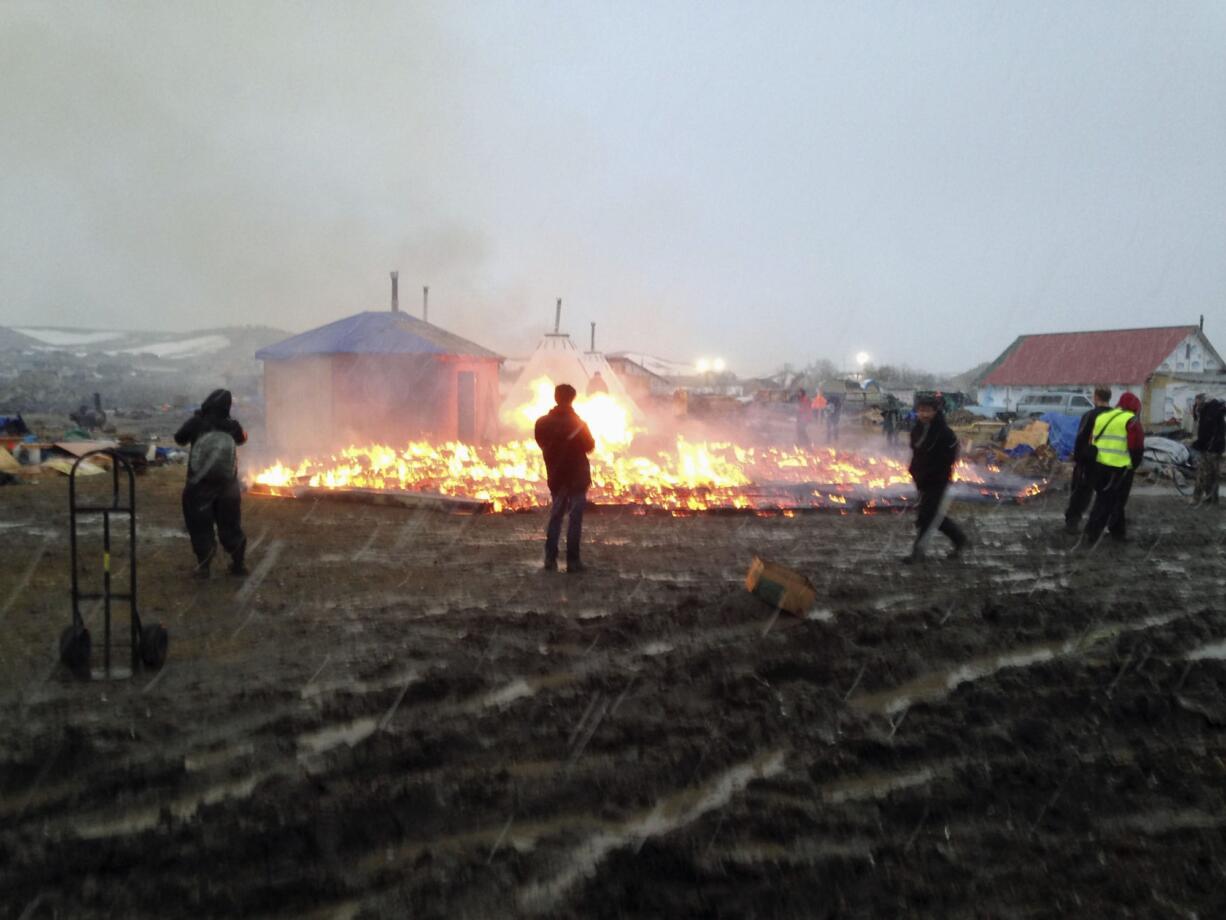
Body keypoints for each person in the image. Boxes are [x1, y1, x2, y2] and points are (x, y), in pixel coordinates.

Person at [174, 389, 248, 578]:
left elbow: (179, 438)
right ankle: (238, 565)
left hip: (199, 485)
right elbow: (241, 440)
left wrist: (197, 422)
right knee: (230, 524)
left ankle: (204, 566)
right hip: (228, 485)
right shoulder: (232, 426)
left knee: (200, 524)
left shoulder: (197, 422)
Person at [534, 383, 596, 573]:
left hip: (557, 475)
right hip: (577, 476)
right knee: (575, 519)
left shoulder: (542, 423)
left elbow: (541, 443)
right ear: (572, 399)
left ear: (556, 397)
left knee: (556, 517)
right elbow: (590, 446)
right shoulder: (579, 424)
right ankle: (573, 561)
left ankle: (550, 559)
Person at [904, 394, 968, 563]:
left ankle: (918, 553)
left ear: (935, 411)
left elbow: (949, 459)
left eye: (928, 411)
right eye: (921, 410)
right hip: (921, 479)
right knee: (932, 515)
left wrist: (936, 475)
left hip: (937, 480)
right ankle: (959, 538)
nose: (924, 414)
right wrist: (915, 472)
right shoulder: (917, 430)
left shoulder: (945, 433)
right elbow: (917, 454)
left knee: (927, 515)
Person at [1080, 392, 1144, 548]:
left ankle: (1116, 532)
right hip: (1120, 468)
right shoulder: (1131, 421)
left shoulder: (1103, 417)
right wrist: (1133, 465)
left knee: (1105, 498)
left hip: (1099, 466)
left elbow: (1093, 440)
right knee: (1112, 502)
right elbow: (1136, 448)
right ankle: (1092, 533)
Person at [1063, 386, 1113, 534]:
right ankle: (1099, 525)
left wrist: (1077, 458)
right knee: (1104, 496)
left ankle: (1072, 523)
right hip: (1110, 461)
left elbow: (1082, 438)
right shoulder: (1116, 416)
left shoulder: (1090, 415)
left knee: (1080, 493)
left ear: (1096, 397)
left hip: (1089, 461)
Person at [1191, 393, 1225, 505]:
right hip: (1215, 447)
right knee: (1213, 474)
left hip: (1211, 448)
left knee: (1203, 473)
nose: (1196, 407)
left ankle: (1197, 498)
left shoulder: (1210, 412)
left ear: (1201, 401)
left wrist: (1199, 444)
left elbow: (1207, 433)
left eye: (1197, 403)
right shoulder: (1213, 410)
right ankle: (1212, 498)